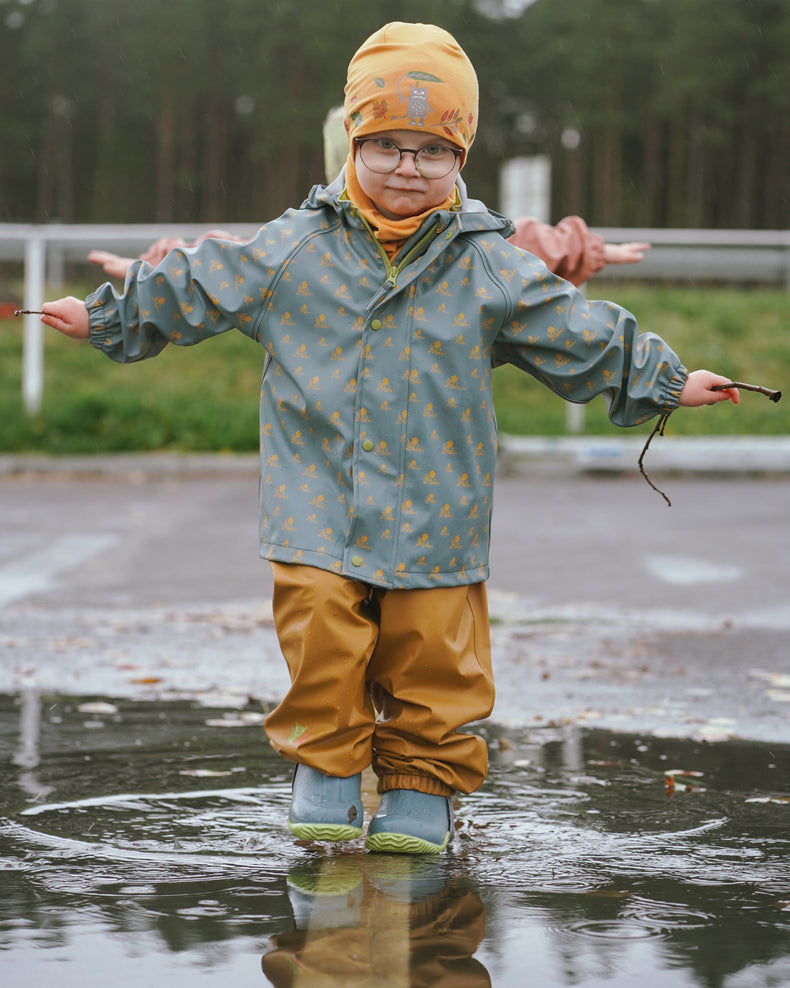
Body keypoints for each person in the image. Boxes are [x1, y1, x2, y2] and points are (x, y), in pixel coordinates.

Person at [41, 22, 739, 856]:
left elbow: (578, 333)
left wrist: (665, 379)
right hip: (317, 508)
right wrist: (106, 315)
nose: (408, 167)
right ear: (353, 143)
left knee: (435, 663)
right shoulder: (294, 248)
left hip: (438, 516)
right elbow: (199, 283)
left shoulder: (488, 264)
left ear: (460, 159)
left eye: (430, 151)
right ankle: (326, 776)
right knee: (323, 650)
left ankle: (421, 791)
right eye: (387, 147)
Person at [88, 105, 650, 287]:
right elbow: (230, 261)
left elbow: (520, 247)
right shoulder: (309, 244)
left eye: (423, 155)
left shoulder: (462, 239)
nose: (401, 176)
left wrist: (587, 248)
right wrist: (150, 267)